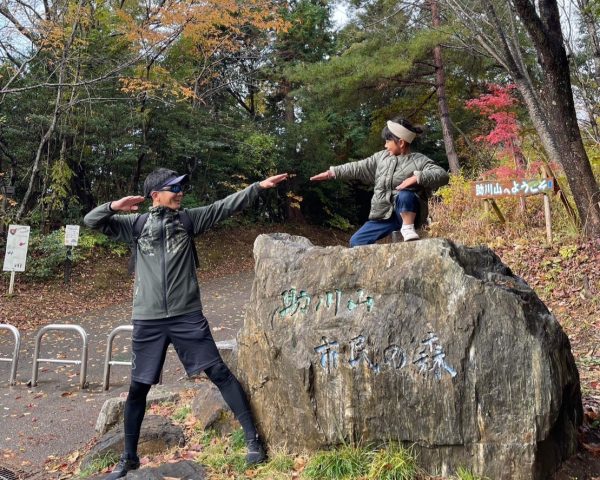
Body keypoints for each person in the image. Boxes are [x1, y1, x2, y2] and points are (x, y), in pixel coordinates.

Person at [84, 168, 288, 479]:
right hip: (148, 319)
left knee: (218, 371)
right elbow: (90, 221)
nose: (180, 193)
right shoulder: (135, 224)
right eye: (173, 188)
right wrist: (114, 206)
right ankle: (129, 457)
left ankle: (252, 440)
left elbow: (226, 206)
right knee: (138, 388)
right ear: (156, 195)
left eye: (180, 188)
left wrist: (258, 187)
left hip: (186, 315)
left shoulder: (188, 220)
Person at [310, 117, 449, 246]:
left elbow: (442, 175)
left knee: (405, 195)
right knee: (356, 241)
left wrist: (416, 177)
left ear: (400, 142)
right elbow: (357, 167)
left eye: (388, 141)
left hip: (407, 212)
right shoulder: (381, 158)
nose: (385, 145)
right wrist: (331, 173)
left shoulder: (419, 160)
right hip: (383, 215)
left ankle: (408, 229)